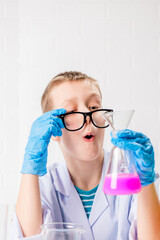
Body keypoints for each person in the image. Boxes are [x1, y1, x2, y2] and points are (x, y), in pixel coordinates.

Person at [12, 71, 160, 240]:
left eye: (93, 107)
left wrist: (146, 182)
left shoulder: (134, 176)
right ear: (53, 129)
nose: (87, 116)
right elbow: (28, 237)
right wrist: (30, 169)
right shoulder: (43, 186)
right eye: (71, 110)